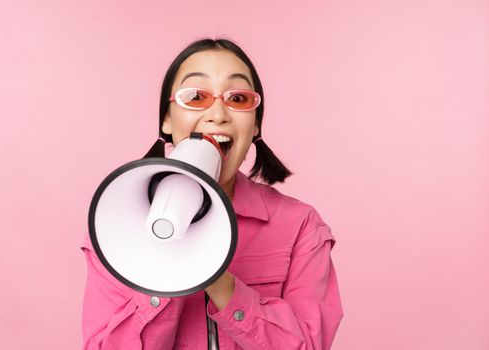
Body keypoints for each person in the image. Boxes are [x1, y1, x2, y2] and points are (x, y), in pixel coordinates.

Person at [81, 37, 344, 349]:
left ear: (256, 124)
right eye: (195, 96)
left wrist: (218, 278)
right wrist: (163, 269)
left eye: (238, 98)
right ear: (166, 120)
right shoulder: (115, 225)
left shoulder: (301, 227)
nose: (218, 114)